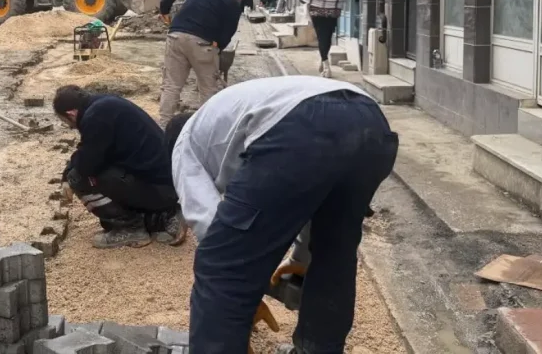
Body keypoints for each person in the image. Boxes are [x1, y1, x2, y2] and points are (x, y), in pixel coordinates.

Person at [165, 76, 399, 354]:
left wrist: (239, 296)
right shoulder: (228, 114)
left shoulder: (183, 144)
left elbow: (209, 224)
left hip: (301, 125)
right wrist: (301, 259)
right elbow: (310, 195)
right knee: (333, 256)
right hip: (370, 124)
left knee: (220, 266)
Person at [53, 85, 187, 249]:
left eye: (66, 122)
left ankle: (130, 228)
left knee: (79, 178)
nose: (71, 126)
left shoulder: (95, 117)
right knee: (88, 170)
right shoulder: (103, 105)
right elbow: (87, 149)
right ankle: (163, 217)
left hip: (158, 190)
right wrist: (67, 170)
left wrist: (68, 177)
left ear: (70, 114)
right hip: (164, 185)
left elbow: (87, 164)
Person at [157, 0, 249, 125]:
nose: (240, 1)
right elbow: (227, 35)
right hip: (202, 43)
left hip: (175, 36)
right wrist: (216, 49)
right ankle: (205, 127)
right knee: (208, 89)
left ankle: (163, 126)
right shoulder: (232, 3)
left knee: (171, 86)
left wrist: (164, 10)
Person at [298, 0, 342, 78]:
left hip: (317, 15)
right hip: (332, 14)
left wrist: (315, 0)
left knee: (321, 38)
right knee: (327, 39)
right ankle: (324, 61)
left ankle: (326, 66)